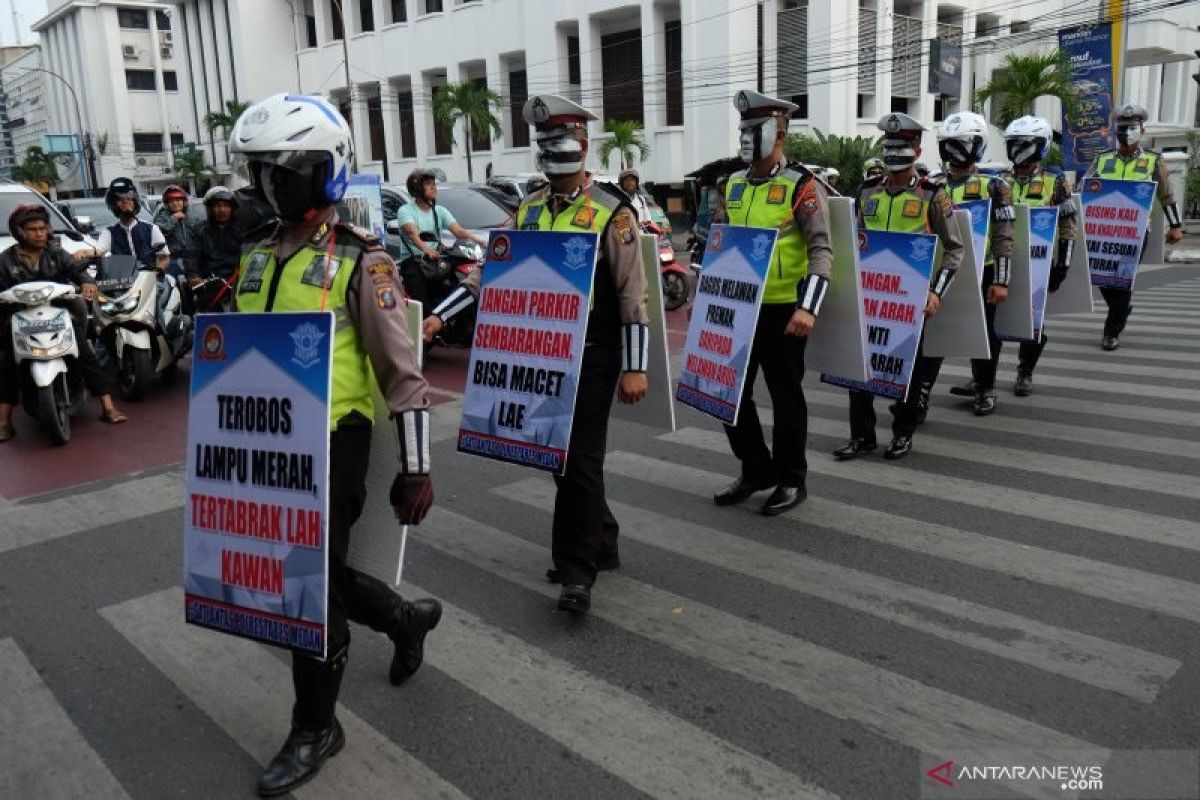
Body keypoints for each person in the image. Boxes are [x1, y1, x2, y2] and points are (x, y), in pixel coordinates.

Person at [228, 93, 442, 797]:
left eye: (281, 169)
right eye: (259, 170)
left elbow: (401, 372)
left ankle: (316, 726)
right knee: (319, 570)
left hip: (331, 441)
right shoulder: (256, 254)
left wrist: (416, 467)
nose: (267, 183)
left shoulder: (362, 260)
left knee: (306, 585)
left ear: (323, 170)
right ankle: (405, 618)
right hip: (262, 443)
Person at [515, 93, 649, 614]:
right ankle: (602, 539)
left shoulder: (612, 212)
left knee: (579, 460)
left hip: (592, 354)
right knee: (558, 457)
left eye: (563, 141)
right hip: (541, 355)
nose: (554, 152)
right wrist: (440, 316)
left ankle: (577, 572)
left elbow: (631, 292)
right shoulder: (526, 210)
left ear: (585, 145)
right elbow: (496, 271)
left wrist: (634, 366)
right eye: (545, 143)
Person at [712, 89, 833, 515]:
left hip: (784, 310)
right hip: (735, 307)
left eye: (755, 128)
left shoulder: (801, 185)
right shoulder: (731, 185)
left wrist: (809, 306)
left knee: (785, 396)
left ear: (779, 132)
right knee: (724, 391)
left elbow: (822, 249)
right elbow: (717, 242)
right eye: (742, 128)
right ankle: (755, 469)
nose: (746, 136)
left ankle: (790, 479)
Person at [831, 112, 963, 461]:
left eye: (903, 145)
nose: (895, 151)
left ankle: (903, 433)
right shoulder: (866, 191)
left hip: (910, 301)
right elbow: (850, 242)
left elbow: (955, 249)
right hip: (869, 298)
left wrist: (937, 292)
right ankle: (862, 436)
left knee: (908, 369)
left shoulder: (933, 195)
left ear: (917, 150)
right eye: (889, 144)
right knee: (859, 366)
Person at [0, 204, 127, 440]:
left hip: (58, 315)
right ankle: (4, 420)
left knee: (84, 352)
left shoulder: (57, 254)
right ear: (19, 232)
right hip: (21, 317)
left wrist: (87, 282)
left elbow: (78, 271)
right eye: (32, 229)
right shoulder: (6, 260)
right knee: (8, 361)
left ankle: (107, 407)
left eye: (42, 228)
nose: (40, 233)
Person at [1084, 102, 1186, 351]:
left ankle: (1111, 331)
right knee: (1101, 277)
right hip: (1101, 232)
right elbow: (1084, 189)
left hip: (1135, 234)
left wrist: (1175, 226)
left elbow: (1167, 195)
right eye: (1122, 127)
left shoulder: (1153, 161)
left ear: (1141, 129)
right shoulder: (1103, 159)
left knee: (1121, 280)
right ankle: (1121, 308)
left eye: (1132, 127)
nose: (1127, 132)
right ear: (1116, 130)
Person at [937, 112, 1015, 416]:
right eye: (949, 144)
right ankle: (918, 393)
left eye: (963, 143)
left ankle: (984, 387)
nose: (955, 151)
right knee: (935, 329)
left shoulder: (995, 186)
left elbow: (1005, 237)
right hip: (941, 271)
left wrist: (1001, 280)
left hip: (984, 270)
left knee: (985, 332)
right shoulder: (932, 183)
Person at [1000, 116, 1078, 396]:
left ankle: (1025, 371)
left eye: (1025, 144)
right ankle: (982, 377)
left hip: (1038, 264)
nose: (1019, 150)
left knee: (1033, 322)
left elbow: (1068, 224)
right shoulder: (999, 180)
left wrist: (1064, 264)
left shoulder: (1054, 181)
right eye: (1014, 144)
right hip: (1002, 262)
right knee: (993, 322)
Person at [395, 169, 484, 306]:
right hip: (414, 262)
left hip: (436, 260)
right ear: (417, 188)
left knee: (457, 285)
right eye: (428, 184)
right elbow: (412, 233)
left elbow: (458, 231)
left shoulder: (440, 211)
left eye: (434, 184)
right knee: (421, 303)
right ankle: (423, 322)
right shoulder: (406, 211)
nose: (433, 187)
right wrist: (426, 249)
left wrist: (481, 241)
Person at [83, 177, 170, 271]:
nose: (125, 202)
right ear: (114, 205)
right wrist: (83, 252)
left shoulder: (151, 228)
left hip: (150, 278)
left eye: (129, 199)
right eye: (120, 200)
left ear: (135, 202)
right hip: (123, 280)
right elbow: (99, 250)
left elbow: (164, 257)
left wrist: (157, 271)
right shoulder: (109, 232)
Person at [187, 186, 244, 312]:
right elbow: (192, 256)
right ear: (210, 209)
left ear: (232, 208)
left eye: (226, 205)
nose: (222, 210)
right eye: (217, 205)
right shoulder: (198, 230)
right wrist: (194, 276)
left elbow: (248, 254)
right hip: (209, 284)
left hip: (237, 284)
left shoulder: (242, 229)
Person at [153, 185, 201, 279]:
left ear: (184, 202)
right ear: (167, 204)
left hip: (192, 260)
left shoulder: (191, 217)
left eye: (178, 200)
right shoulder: (161, 218)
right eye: (171, 201)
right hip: (171, 260)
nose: (175, 203)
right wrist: (174, 219)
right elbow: (160, 230)